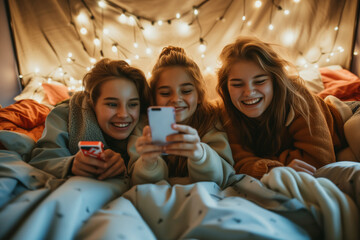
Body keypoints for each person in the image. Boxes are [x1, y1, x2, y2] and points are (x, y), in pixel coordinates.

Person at [216, 36, 360, 179]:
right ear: (226, 87)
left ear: (275, 81)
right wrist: (275, 169)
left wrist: (267, 161)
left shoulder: (297, 98)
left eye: (260, 81)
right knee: (342, 164)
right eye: (237, 84)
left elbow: (319, 159)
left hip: (348, 116)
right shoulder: (227, 111)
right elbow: (240, 163)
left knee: (353, 131)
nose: (249, 92)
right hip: (335, 148)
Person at [129, 46, 235, 188]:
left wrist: (200, 155)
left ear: (198, 95)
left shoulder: (210, 120)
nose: (176, 99)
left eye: (186, 91)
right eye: (165, 93)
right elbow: (138, 184)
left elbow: (224, 176)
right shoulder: (144, 127)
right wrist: (148, 163)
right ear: (153, 98)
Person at [30, 58, 152, 180]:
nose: (123, 114)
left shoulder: (146, 124)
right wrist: (71, 164)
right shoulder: (64, 115)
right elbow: (42, 158)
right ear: (93, 103)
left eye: (132, 104)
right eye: (112, 104)